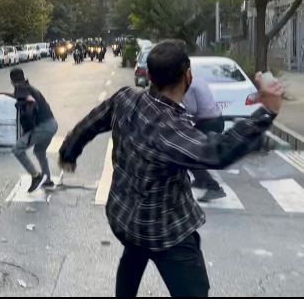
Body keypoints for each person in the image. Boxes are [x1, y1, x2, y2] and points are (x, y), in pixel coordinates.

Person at [59, 40, 284, 297]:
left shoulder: (125, 98)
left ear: (149, 76)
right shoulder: (171, 129)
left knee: (133, 253)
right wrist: (266, 111)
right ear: (188, 75)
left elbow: (91, 123)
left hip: (123, 218)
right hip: (167, 233)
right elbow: (218, 151)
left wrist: (69, 152)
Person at [0, 68, 59, 193]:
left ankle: (36, 176)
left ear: (12, 82)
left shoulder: (21, 88)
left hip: (43, 127)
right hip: (52, 124)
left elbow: (29, 100)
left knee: (17, 149)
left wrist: (28, 129)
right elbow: (20, 97)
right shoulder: (28, 87)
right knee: (39, 152)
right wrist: (3, 93)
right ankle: (47, 181)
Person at [183, 76, 227, 202]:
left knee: (190, 155)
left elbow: (192, 109)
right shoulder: (198, 80)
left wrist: (180, 101)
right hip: (216, 120)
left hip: (209, 123)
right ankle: (201, 180)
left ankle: (214, 187)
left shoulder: (186, 86)